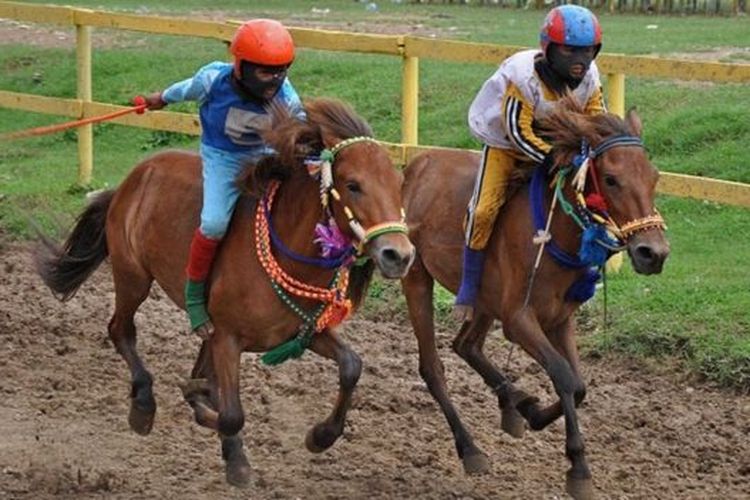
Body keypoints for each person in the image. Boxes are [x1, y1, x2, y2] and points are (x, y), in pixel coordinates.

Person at [137, 19, 305, 338]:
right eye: (265, 72)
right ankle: (195, 295)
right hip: (222, 159)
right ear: (241, 65)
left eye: (281, 70)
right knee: (214, 223)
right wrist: (160, 98)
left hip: (264, 158)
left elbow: (300, 124)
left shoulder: (285, 94)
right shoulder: (214, 78)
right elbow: (185, 89)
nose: (274, 80)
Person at [456, 5, 606, 318]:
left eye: (588, 51)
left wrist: (588, 155)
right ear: (549, 48)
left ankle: (585, 276)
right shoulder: (523, 77)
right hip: (509, 146)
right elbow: (517, 130)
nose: (579, 60)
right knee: (484, 209)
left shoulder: (591, 78)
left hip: (561, 147)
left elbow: (596, 120)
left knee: (597, 200)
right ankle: (468, 287)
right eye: (569, 50)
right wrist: (552, 158)